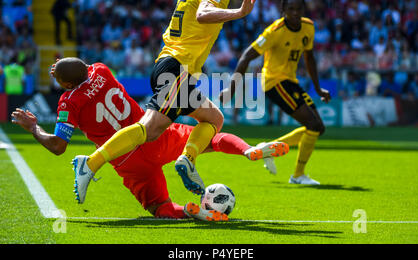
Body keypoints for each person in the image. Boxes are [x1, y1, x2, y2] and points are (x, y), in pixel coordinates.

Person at [75, 0, 265, 202]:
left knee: (213, 118)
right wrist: (239, 12)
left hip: (172, 66)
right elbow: (203, 15)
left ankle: (187, 159)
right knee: (150, 129)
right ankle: (90, 163)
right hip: (176, 68)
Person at [11, 58, 288, 221]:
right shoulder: (101, 70)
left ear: (67, 85)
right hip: (154, 133)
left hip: (125, 157)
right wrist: (66, 71)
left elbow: (59, 146)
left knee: (158, 206)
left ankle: (193, 212)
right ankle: (248, 149)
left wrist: (35, 128)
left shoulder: (68, 101)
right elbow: (80, 72)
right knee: (211, 135)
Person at [220, 0, 331, 185]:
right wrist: (231, 89)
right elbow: (246, 57)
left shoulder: (308, 27)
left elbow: (310, 58)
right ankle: (297, 175)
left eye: (298, 9)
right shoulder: (274, 31)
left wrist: (318, 88)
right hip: (273, 83)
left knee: (318, 128)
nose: (295, 13)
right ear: (283, 11)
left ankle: (268, 148)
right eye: (290, 9)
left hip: (291, 81)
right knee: (312, 125)